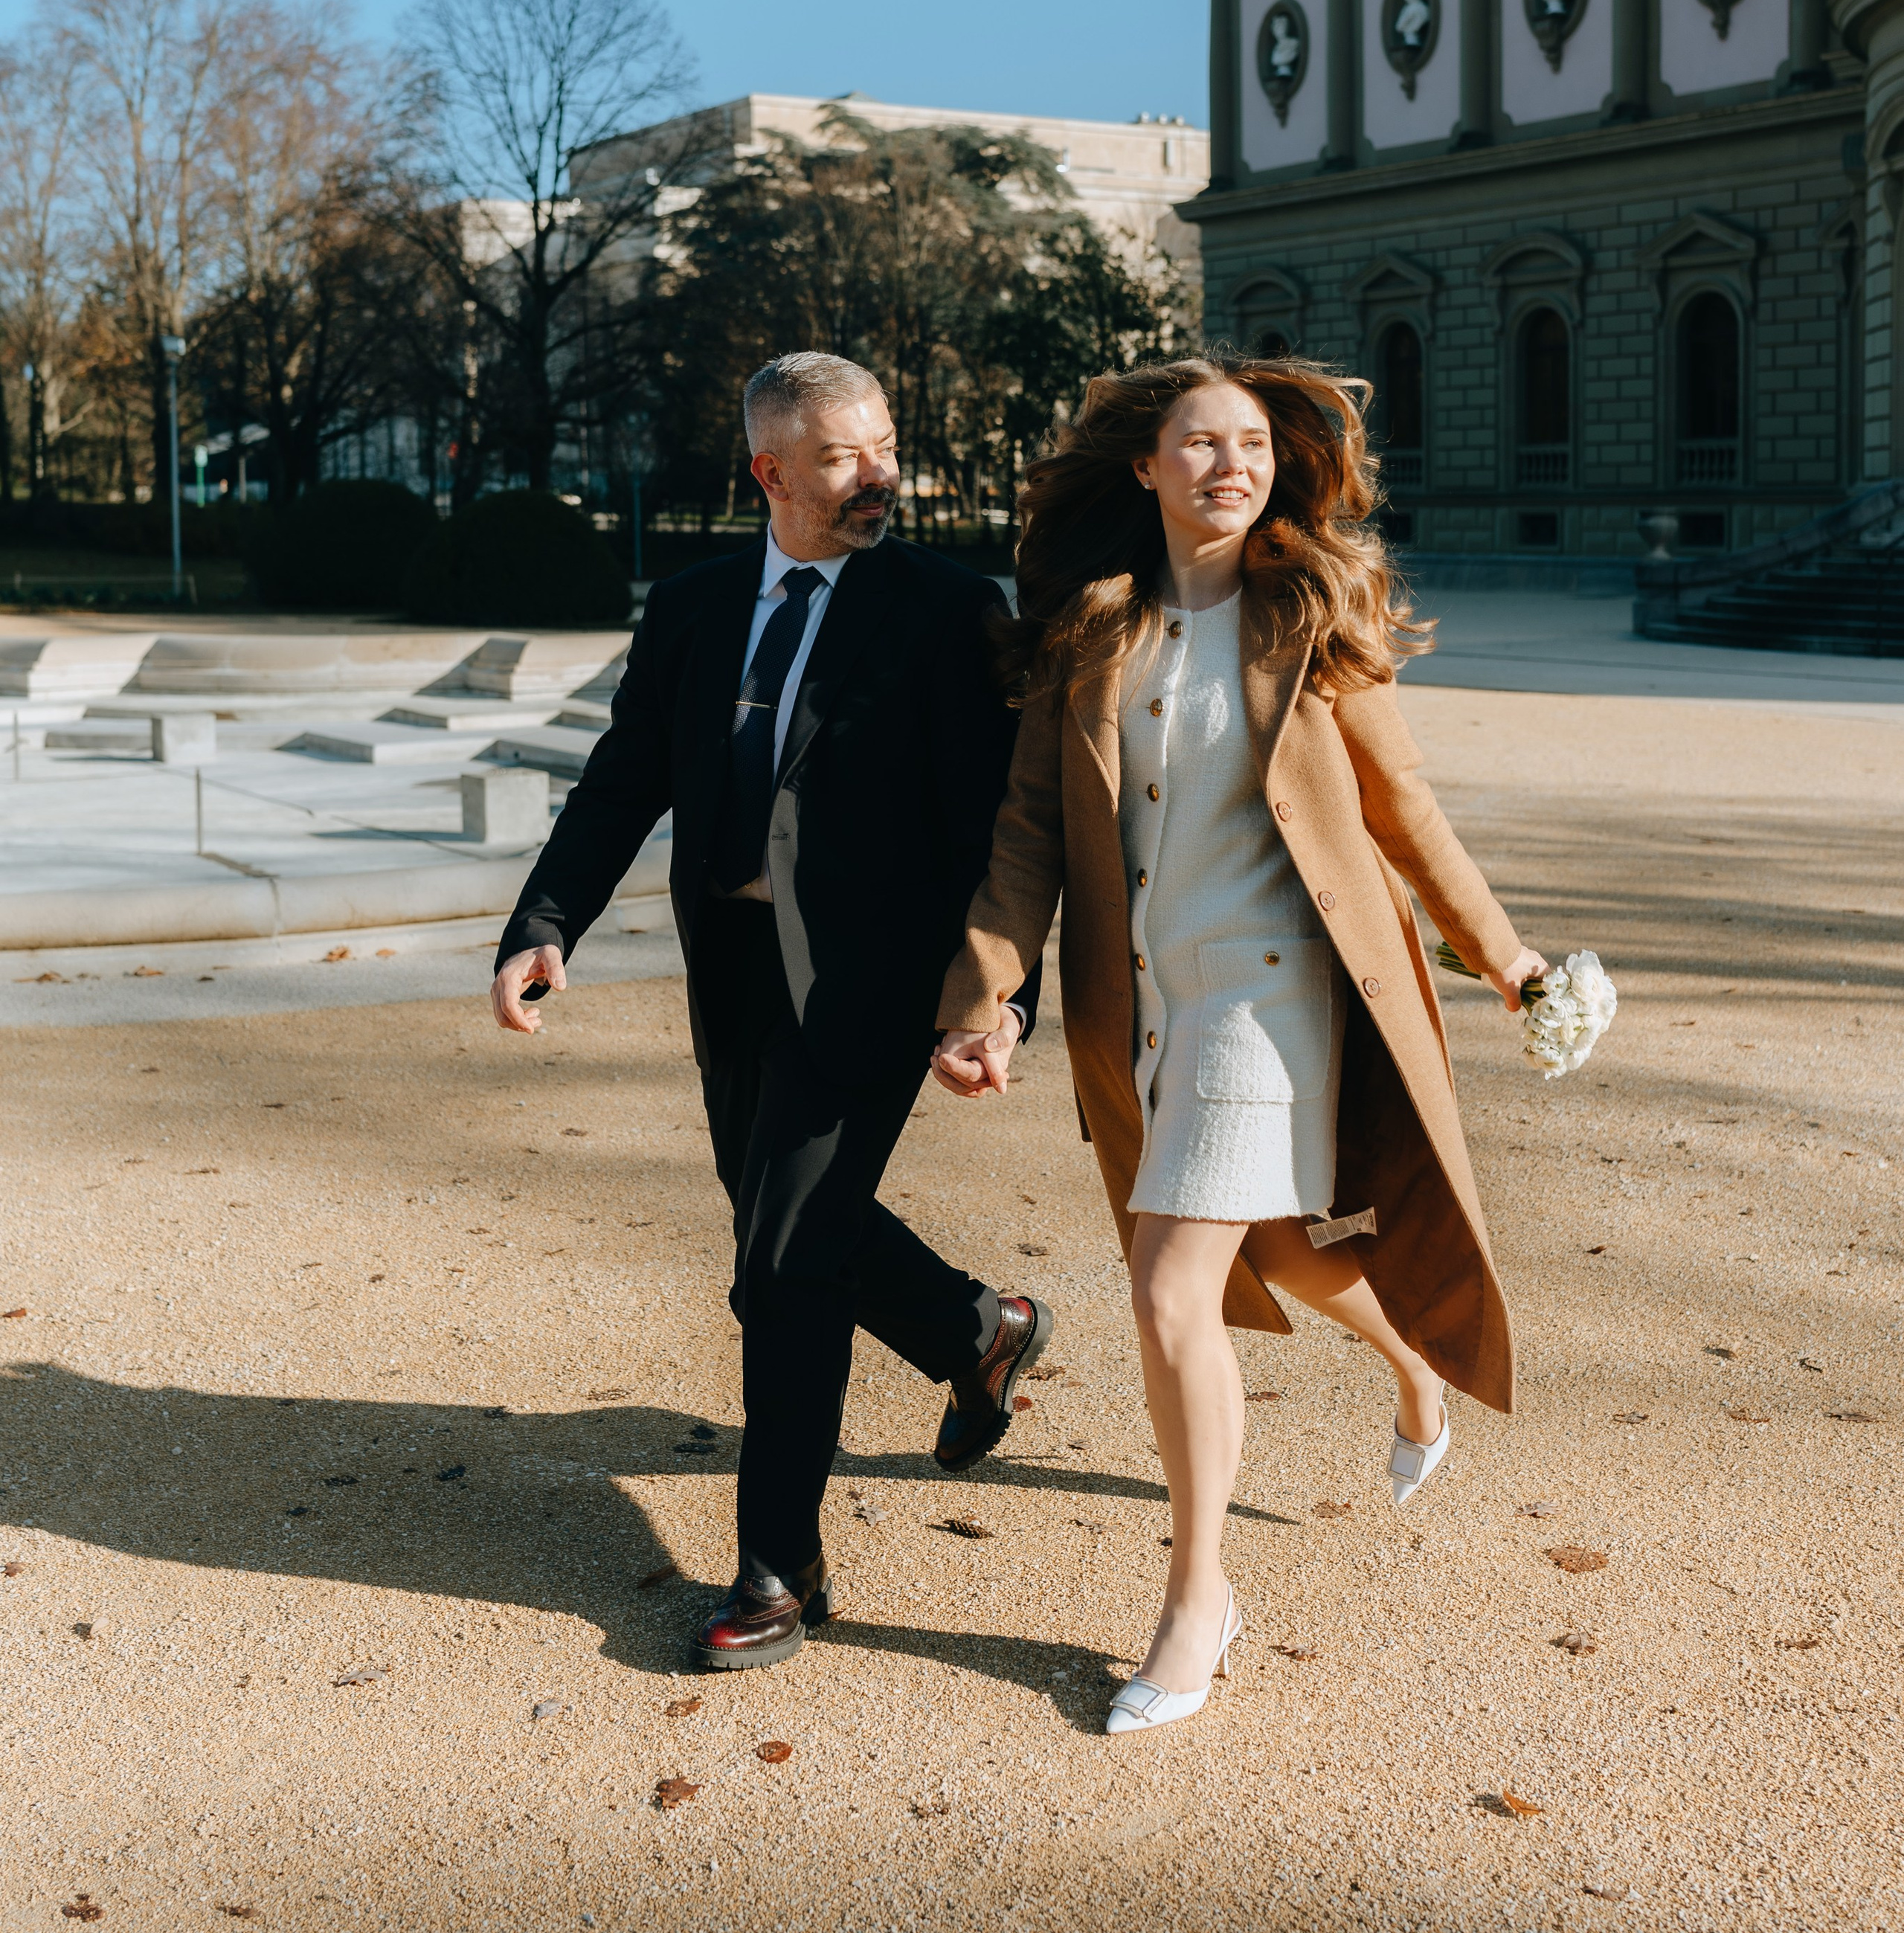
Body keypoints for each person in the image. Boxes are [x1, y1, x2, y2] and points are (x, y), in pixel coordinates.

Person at [931, 355, 1542, 1737]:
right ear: (1146, 468)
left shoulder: (1308, 620)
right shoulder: (1090, 632)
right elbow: (1027, 837)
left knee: (1167, 1292)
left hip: (1269, 1002)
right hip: (1144, 1005)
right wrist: (981, 1000)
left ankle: (1197, 1596)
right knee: (1285, 1254)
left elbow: (1404, 810)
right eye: (1200, 443)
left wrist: (1504, 955)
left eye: (1253, 444)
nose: (1231, 465)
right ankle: (1413, 1367)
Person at [492, 353, 1049, 1670]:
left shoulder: (948, 608)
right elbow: (626, 774)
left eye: (887, 446)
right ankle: (977, 1329)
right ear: (771, 471)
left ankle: (778, 1569)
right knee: (784, 1228)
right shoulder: (691, 605)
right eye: (845, 457)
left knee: (786, 1266)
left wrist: (998, 1001)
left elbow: (1005, 830)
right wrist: (546, 921)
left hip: (875, 981)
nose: (880, 476)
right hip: (733, 969)